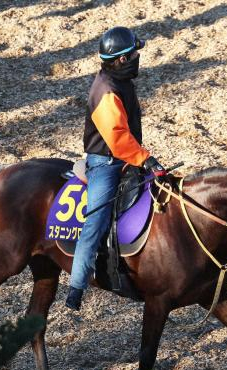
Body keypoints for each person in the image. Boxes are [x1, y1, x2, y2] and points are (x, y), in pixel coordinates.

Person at [65, 26, 167, 311]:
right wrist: (145, 159)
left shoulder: (121, 80)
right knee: (95, 222)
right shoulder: (107, 90)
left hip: (127, 157)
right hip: (106, 164)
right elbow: (118, 137)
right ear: (121, 59)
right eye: (134, 53)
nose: (137, 57)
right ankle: (76, 286)